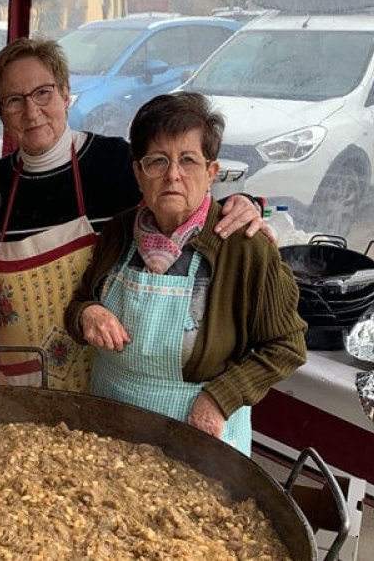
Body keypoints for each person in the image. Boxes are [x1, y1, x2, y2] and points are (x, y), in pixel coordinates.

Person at [0, 38, 266, 391]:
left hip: (99, 383)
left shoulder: (113, 162)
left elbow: (185, 196)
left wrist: (242, 202)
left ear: (66, 92)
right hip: (17, 386)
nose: (31, 111)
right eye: (15, 100)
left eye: (43, 93)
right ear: (1, 112)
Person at [64, 92, 306, 455]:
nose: (173, 175)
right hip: (111, 421)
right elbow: (79, 303)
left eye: (188, 160)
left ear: (211, 173)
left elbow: (288, 345)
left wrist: (221, 398)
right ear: (138, 173)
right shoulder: (118, 232)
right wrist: (87, 313)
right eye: (157, 161)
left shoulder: (244, 245)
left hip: (195, 427)